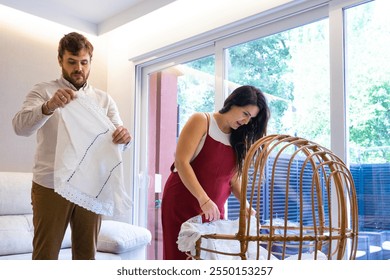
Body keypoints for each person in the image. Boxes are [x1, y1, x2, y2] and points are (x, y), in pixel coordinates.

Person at [12, 32, 132, 260]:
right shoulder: (44, 92)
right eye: (72, 62)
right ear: (60, 60)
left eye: (84, 62)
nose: (79, 68)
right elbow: (20, 127)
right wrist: (48, 107)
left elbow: (119, 140)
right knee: (45, 256)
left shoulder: (104, 100)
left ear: (90, 62)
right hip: (50, 184)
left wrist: (124, 138)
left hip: (92, 186)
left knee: (86, 256)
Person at [161, 85, 270, 260]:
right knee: (181, 257)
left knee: (213, 257)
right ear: (233, 102)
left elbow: (233, 178)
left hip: (213, 209)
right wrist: (203, 200)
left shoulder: (238, 137)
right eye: (245, 114)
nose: (246, 121)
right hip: (183, 201)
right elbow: (182, 162)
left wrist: (245, 204)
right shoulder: (201, 121)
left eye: (251, 118)